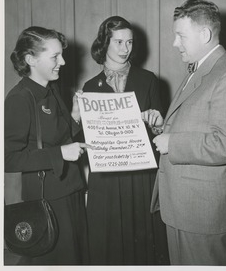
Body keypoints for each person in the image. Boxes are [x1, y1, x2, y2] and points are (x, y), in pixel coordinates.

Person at [147, 0, 226, 265]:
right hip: (184, 207)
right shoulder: (201, 67)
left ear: (205, 35)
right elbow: (199, 122)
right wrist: (163, 127)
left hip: (201, 212)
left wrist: (172, 143)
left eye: (181, 36)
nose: (175, 43)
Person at [81, 16, 169, 265]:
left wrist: (157, 124)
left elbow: (160, 133)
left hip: (139, 175)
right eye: (118, 42)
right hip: (106, 178)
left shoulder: (148, 79)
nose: (125, 48)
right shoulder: (89, 87)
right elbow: (87, 140)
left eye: (129, 42)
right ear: (104, 44)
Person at [5, 26, 90, 265]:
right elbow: (7, 158)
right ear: (30, 59)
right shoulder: (19, 99)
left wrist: (74, 116)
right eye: (55, 56)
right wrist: (60, 153)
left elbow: (60, 134)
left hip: (70, 189)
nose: (62, 61)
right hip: (47, 198)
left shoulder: (51, 88)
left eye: (61, 54)